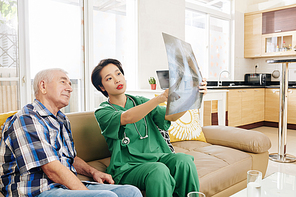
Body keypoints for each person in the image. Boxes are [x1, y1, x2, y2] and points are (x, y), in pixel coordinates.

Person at [0, 68, 142, 197]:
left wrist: (94, 172)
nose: (70, 88)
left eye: (70, 83)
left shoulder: (61, 119)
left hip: (62, 187)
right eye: (63, 82)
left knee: (131, 192)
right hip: (36, 191)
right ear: (43, 86)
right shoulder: (26, 119)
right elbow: (52, 169)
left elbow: (71, 159)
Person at [91, 58, 207, 197]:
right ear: (102, 87)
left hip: (158, 157)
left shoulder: (139, 101)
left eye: (118, 74)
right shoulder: (103, 112)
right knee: (158, 170)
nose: (117, 80)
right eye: (109, 78)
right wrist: (159, 98)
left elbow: (171, 116)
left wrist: (193, 96)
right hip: (128, 167)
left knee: (184, 161)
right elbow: (127, 117)